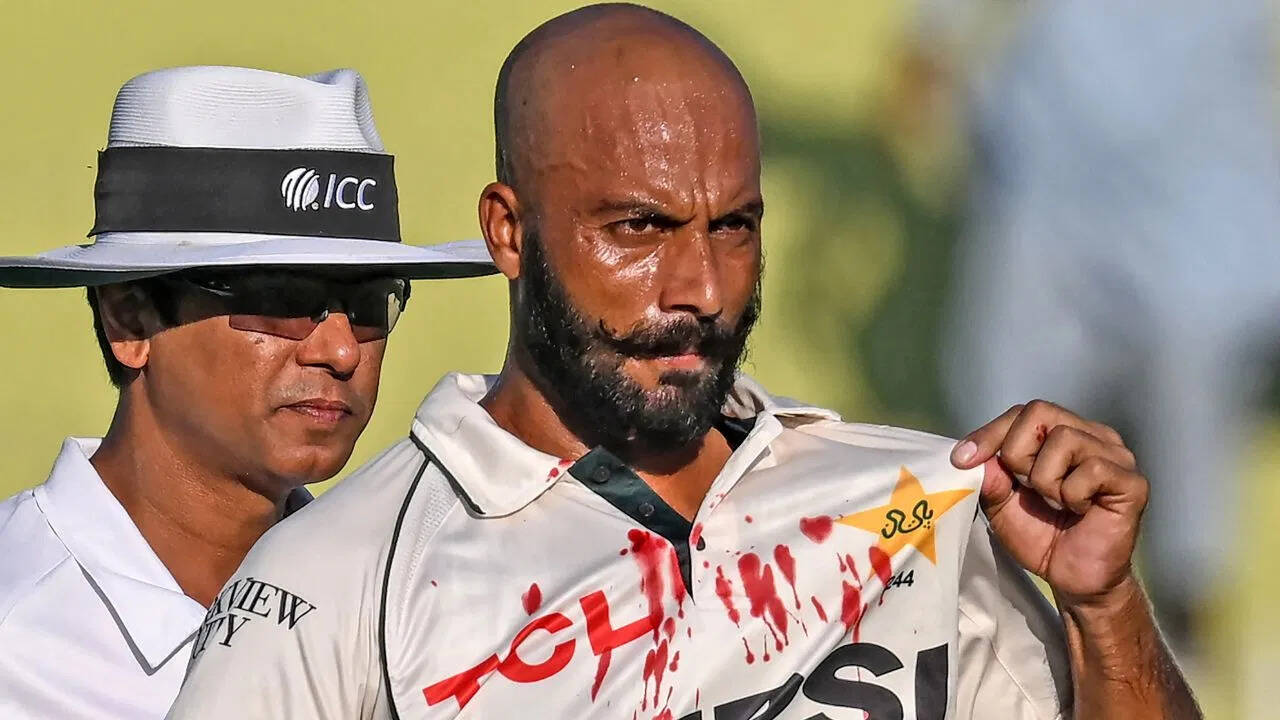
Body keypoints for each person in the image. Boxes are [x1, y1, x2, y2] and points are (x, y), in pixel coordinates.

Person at [169, 7, 1200, 719]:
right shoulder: (339, 581)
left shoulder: (909, 505)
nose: (701, 288)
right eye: (639, 228)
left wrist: (1103, 607)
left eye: (734, 226)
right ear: (508, 232)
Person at [0, 65, 493, 719]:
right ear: (130, 320)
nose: (341, 351)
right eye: (281, 297)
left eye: (371, 302)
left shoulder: (422, 612)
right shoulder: (17, 641)